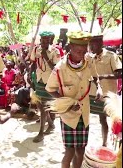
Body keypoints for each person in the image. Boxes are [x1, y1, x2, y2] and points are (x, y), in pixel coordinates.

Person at [45, 31, 103, 168]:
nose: (81, 55)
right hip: (68, 115)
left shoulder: (88, 61)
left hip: (84, 112)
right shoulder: (60, 68)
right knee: (70, 151)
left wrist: (99, 88)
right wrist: (67, 104)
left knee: (81, 149)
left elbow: (95, 76)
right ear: (70, 47)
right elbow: (50, 89)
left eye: (84, 51)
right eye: (78, 51)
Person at [88, 35, 122, 147]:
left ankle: (115, 141)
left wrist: (103, 77)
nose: (91, 47)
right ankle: (104, 142)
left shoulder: (111, 56)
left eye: (94, 44)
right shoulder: (90, 58)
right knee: (102, 119)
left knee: (114, 119)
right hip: (96, 94)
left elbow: (119, 74)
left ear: (101, 44)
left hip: (109, 95)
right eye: (90, 44)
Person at [29, 31, 61, 142]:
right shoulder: (36, 49)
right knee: (39, 104)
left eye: (46, 40)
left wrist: (45, 57)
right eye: (42, 40)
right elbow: (33, 63)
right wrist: (30, 75)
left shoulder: (55, 51)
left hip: (50, 81)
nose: (43, 42)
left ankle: (41, 133)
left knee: (44, 107)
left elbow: (56, 69)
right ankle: (51, 125)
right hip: (39, 80)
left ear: (50, 41)